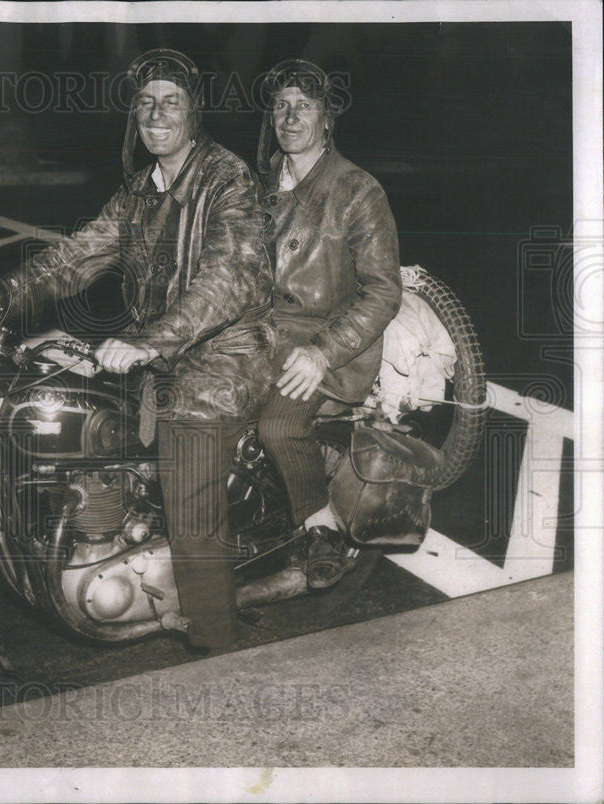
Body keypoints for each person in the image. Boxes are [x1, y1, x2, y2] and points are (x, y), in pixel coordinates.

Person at [0, 49, 275, 650]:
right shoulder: (140, 190)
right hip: (159, 352)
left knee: (187, 479)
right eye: (145, 103)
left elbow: (226, 282)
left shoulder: (226, 179)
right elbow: (79, 254)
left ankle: (219, 646)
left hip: (224, 357)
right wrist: (3, 292)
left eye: (172, 102)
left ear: (194, 113)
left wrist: (145, 340)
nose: (156, 114)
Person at [254, 59, 402, 589]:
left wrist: (321, 351)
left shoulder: (357, 190)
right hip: (262, 335)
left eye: (305, 106)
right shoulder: (259, 184)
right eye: (281, 106)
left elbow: (383, 290)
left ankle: (321, 531)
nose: (290, 117)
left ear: (327, 119)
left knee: (277, 424)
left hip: (330, 344)